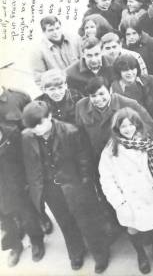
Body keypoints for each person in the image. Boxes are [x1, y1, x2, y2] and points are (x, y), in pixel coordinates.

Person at [21, 101, 111, 273]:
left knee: (87, 222)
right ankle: (76, 252)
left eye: (38, 124)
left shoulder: (71, 131)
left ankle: (100, 254)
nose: (36, 130)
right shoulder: (27, 136)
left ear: (49, 117)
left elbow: (84, 160)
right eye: (31, 127)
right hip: (50, 189)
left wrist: (85, 184)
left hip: (75, 186)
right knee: (65, 222)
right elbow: (30, 164)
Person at [99, 107, 153, 275]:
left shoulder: (147, 143)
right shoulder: (110, 150)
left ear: (137, 125)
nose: (128, 129)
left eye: (131, 125)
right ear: (117, 129)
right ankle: (141, 254)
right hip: (129, 199)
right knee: (133, 227)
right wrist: (119, 202)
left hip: (150, 193)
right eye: (123, 127)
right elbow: (107, 179)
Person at [75, 76, 153, 164]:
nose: (98, 99)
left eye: (101, 94)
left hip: (127, 158)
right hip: (99, 159)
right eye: (93, 96)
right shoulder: (81, 106)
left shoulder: (129, 104)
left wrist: (130, 143)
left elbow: (149, 126)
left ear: (110, 90)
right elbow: (81, 134)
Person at [0, 124, 45, 267]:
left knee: (28, 216)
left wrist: (27, 182)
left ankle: (36, 242)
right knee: (5, 221)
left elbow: (24, 159)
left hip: (17, 185)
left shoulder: (12, 133)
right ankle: (14, 246)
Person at [111, 54, 153, 124]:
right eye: (125, 70)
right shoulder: (115, 90)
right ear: (119, 72)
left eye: (132, 69)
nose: (130, 73)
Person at [31, 16, 81, 86]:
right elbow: (39, 79)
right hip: (62, 88)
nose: (56, 32)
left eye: (57, 28)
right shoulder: (38, 52)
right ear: (44, 32)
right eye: (51, 30)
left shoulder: (76, 39)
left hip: (83, 82)